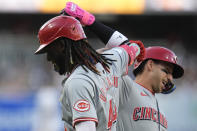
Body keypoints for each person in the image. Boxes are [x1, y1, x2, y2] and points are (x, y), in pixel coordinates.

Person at [62, 2, 184, 131]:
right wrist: (90, 21)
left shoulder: (161, 110)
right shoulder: (126, 86)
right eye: (166, 71)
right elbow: (123, 46)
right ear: (150, 64)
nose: (170, 78)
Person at [34, 15, 145, 131]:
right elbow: (133, 47)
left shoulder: (78, 82)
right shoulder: (110, 61)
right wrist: (91, 22)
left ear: (62, 46)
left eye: (49, 51)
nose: (48, 58)